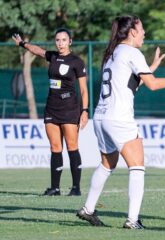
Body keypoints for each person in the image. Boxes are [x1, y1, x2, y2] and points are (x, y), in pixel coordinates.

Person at [76, 15, 165, 229]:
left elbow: (131, 85)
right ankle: (132, 220)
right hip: (119, 118)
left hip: (101, 117)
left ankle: (88, 209)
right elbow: (153, 85)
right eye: (141, 29)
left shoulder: (112, 53)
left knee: (107, 164)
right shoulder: (132, 52)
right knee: (137, 167)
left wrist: (151, 66)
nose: (144, 33)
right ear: (132, 31)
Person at [12, 29, 89, 196]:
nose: (60, 43)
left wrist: (85, 111)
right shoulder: (52, 56)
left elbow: (83, 90)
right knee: (55, 147)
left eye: (63, 40)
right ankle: (55, 188)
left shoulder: (77, 62)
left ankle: (76, 188)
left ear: (70, 41)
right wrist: (22, 44)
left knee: (72, 146)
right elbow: (38, 50)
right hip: (52, 107)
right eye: (57, 40)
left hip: (70, 108)